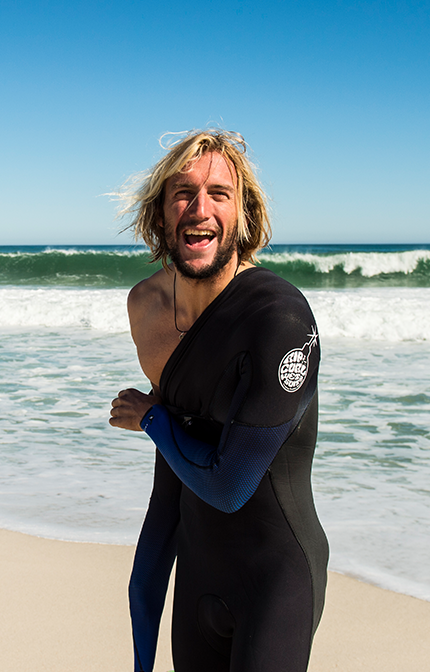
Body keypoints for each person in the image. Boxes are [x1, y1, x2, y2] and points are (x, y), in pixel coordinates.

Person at [109, 129, 328, 672]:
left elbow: (230, 485)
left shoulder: (278, 320)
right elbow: (171, 481)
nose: (199, 209)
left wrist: (153, 420)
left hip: (275, 575)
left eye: (219, 194)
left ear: (245, 215)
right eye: (182, 193)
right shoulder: (148, 308)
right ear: (160, 214)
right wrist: (142, 625)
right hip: (199, 574)